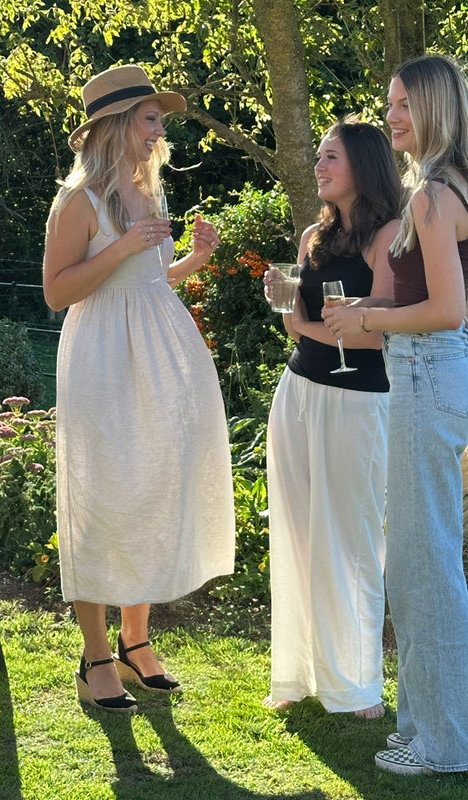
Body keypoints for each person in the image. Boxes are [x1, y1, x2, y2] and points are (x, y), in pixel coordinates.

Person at [43, 64, 236, 712]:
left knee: (150, 487)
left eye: (159, 118)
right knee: (101, 498)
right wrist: (123, 245)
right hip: (100, 361)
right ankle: (95, 656)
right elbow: (57, 291)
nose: (160, 129)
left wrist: (193, 262)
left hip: (156, 359)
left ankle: (135, 640)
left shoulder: (146, 193)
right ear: (118, 125)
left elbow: (149, 281)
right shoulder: (80, 201)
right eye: (151, 117)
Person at [323, 54, 468, 776]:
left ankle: (440, 745)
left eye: (404, 104)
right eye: (389, 104)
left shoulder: (432, 196)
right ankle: (430, 729)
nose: (392, 115)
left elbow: (446, 312)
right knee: (427, 560)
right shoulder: (450, 187)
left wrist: (373, 321)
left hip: (426, 373)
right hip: (436, 373)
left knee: (424, 566)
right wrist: (371, 311)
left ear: (437, 106)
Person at [262, 118, 400, 720]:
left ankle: (357, 684)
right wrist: (283, 293)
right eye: (318, 155)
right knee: (295, 533)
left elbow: (383, 336)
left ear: (363, 167)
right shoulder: (313, 238)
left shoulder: (391, 235)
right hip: (298, 393)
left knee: (352, 537)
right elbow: (300, 313)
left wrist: (305, 325)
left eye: (331, 158)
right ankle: (296, 673)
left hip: (360, 402)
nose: (319, 166)